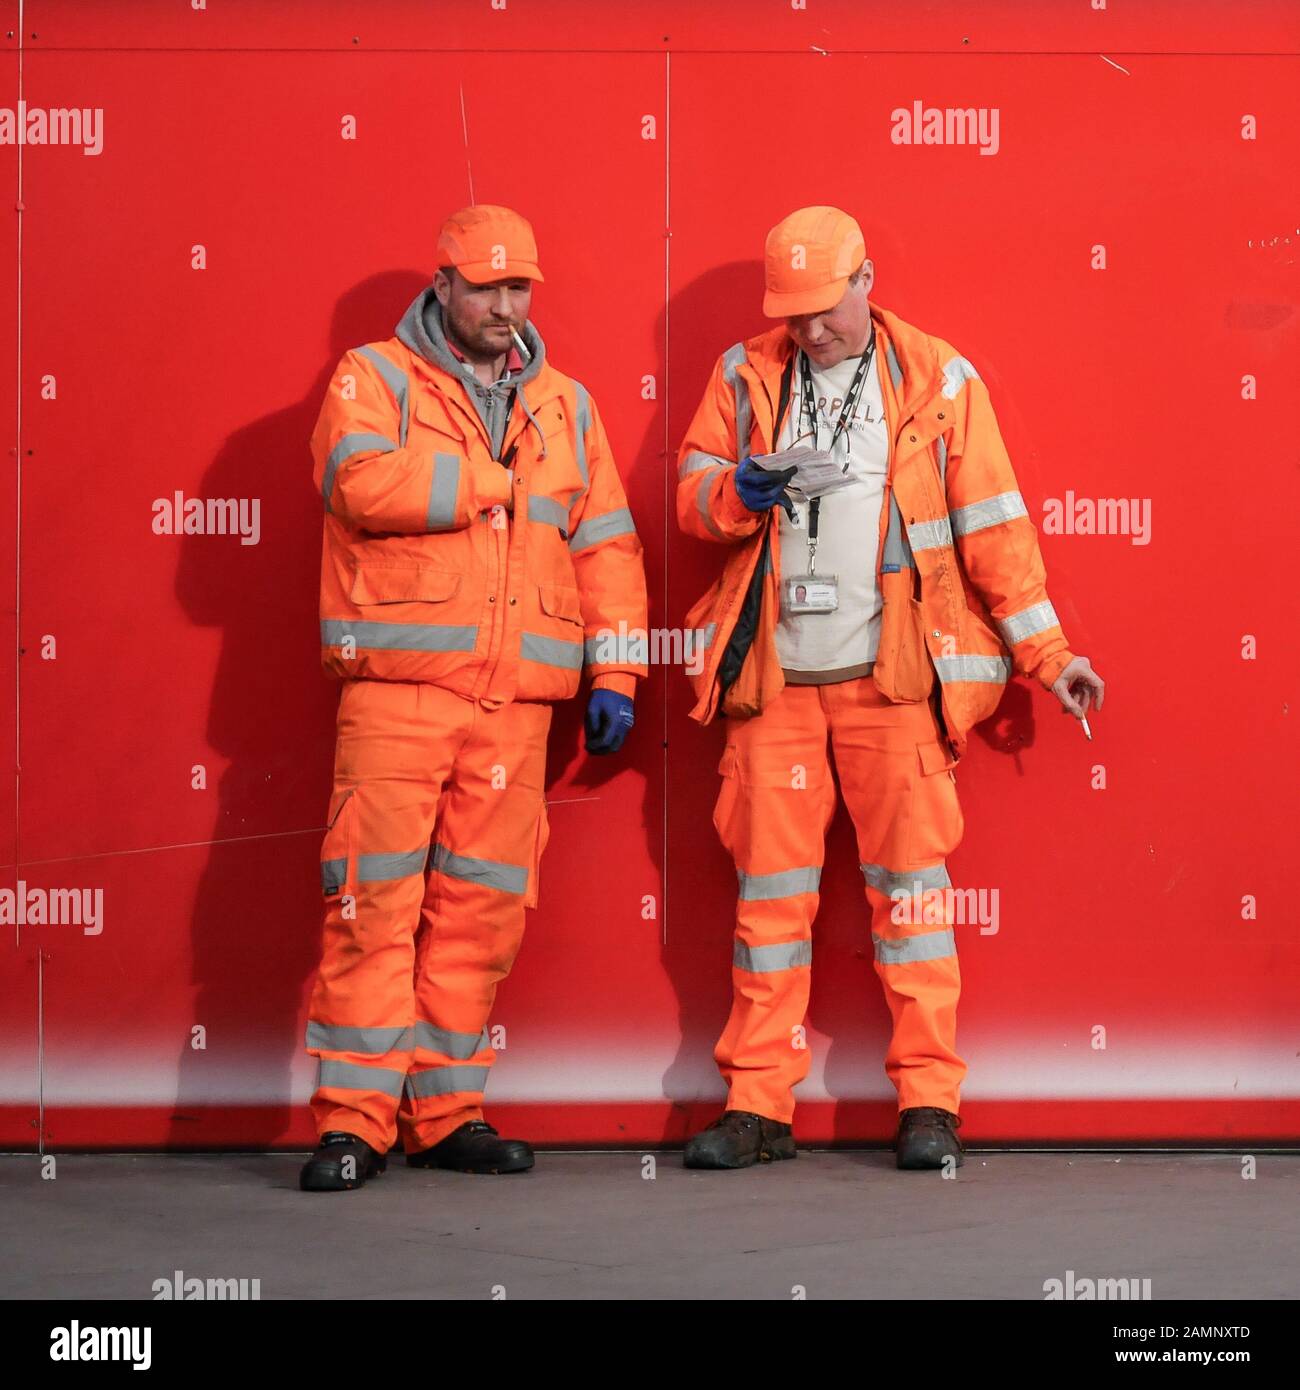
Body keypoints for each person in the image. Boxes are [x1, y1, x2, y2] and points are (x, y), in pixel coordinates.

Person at [675, 206, 1104, 1171]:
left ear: (867, 282)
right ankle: (757, 1109)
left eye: (825, 309)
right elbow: (692, 494)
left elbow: (996, 530)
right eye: (794, 313)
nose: (810, 329)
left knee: (911, 903)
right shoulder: (746, 374)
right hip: (773, 684)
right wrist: (734, 493)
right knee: (769, 904)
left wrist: (1050, 655)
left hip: (894, 684)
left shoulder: (940, 381)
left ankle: (929, 1105)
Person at [300, 205, 648, 1191]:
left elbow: (608, 547)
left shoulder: (566, 405)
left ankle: (447, 1113)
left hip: (516, 709)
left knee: (480, 914)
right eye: (486, 286)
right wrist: (487, 481)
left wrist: (614, 670)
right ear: (442, 283)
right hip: (398, 693)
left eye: (518, 287)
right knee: (371, 905)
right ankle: (353, 1123)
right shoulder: (373, 378)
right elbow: (353, 479)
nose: (505, 306)